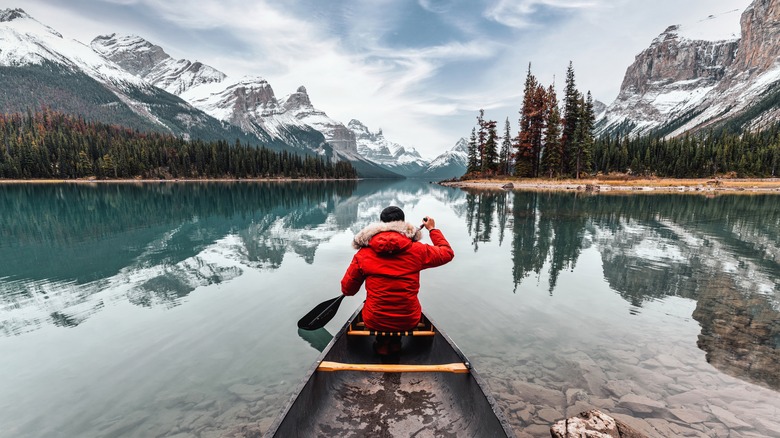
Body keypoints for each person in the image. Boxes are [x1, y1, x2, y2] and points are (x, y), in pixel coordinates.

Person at [341, 206, 454, 354]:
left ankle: (382, 345)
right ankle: (395, 344)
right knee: (401, 320)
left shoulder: (363, 254)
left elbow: (348, 290)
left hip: (374, 319)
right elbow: (447, 253)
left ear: (380, 225)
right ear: (403, 223)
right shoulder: (417, 250)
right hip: (409, 318)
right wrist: (432, 229)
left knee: (375, 315)